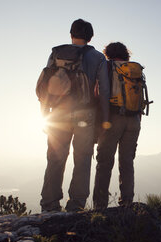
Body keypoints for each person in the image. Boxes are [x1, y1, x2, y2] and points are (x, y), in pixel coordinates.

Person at [38, 19, 110, 212]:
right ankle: (76, 204)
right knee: (83, 158)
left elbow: (47, 86)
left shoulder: (56, 53)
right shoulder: (97, 57)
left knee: (55, 158)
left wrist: (44, 114)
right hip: (85, 114)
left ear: (71, 34)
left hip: (59, 113)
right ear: (90, 37)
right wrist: (105, 119)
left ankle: (49, 204)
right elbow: (104, 90)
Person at [93, 42, 142, 210]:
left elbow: (99, 93)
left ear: (108, 53)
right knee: (127, 162)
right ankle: (127, 202)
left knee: (104, 163)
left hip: (113, 118)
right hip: (134, 120)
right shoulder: (135, 70)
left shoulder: (107, 67)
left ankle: (100, 206)